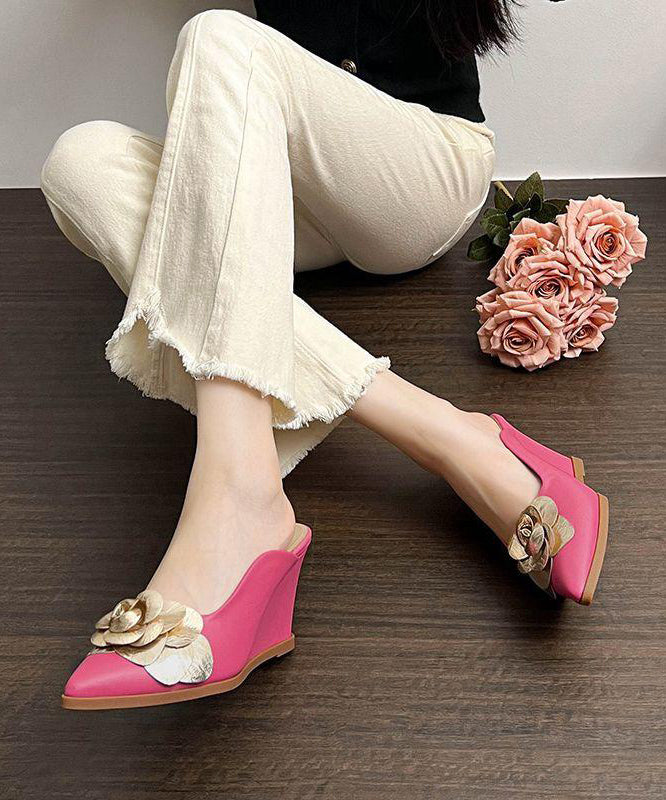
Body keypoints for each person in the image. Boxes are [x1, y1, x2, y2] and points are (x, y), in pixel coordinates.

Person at [41, 1, 606, 711]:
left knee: (220, 37)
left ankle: (238, 498)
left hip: (417, 174)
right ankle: (449, 434)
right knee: (79, 163)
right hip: (287, 182)